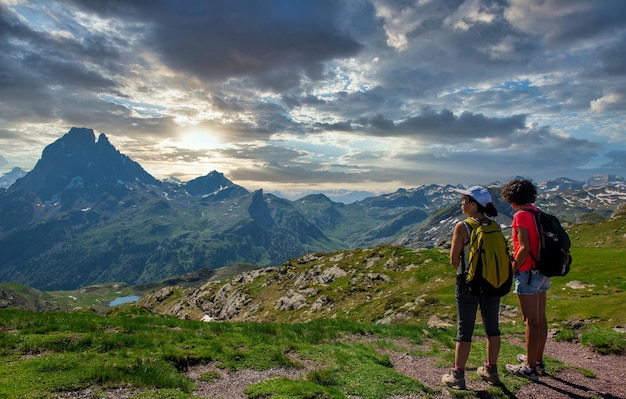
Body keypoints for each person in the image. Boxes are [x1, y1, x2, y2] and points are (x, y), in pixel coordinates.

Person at [441, 186, 502, 389]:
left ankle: (457, 375)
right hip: (492, 284)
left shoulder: (463, 227)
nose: (462, 204)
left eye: (464, 201)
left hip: (468, 284)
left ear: (474, 204)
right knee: (492, 328)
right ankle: (491, 370)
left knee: (464, 329)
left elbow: (453, 259)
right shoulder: (494, 226)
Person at [500, 178, 547, 381]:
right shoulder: (539, 213)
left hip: (528, 272)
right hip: (543, 271)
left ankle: (528, 367)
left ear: (513, 198)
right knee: (541, 318)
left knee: (530, 321)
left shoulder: (520, 215)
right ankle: (536, 359)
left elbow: (525, 247)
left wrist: (514, 267)